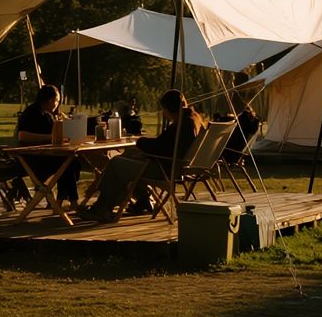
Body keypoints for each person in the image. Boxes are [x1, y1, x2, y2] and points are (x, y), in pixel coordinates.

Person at [83, 89, 204, 222]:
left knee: (116, 163)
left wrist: (139, 141)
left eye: (164, 109)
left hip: (164, 169)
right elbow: (165, 145)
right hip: (173, 165)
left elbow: (158, 146)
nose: (163, 113)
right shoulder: (193, 120)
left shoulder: (181, 125)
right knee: (129, 158)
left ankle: (102, 208)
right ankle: (143, 199)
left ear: (170, 109)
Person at [17, 84, 81, 208]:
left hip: (46, 155)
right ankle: (72, 202)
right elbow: (22, 136)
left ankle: (60, 201)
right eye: (57, 100)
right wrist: (50, 137)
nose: (57, 104)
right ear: (50, 100)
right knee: (68, 163)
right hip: (33, 159)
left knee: (71, 161)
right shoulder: (32, 112)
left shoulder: (47, 114)